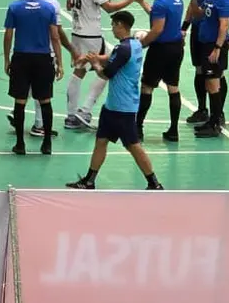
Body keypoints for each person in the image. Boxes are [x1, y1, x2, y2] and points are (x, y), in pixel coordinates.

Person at [66, 11, 163, 190]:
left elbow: (108, 73)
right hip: (113, 106)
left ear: (120, 25)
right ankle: (89, 180)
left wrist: (95, 65)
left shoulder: (123, 48)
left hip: (122, 109)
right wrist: (96, 57)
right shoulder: (135, 45)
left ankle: (154, 182)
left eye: (113, 25)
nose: (112, 28)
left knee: (134, 146)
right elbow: (112, 58)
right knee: (101, 141)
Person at [64, 0, 138, 129]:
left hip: (77, 31)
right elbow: (110, 8)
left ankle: (71, 115)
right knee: (109, 66)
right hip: (91, 33)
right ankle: (85, 110)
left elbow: (68, 3)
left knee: (79, 70)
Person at [8, 0, 73, 138]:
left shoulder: (19, 2)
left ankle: (21, 130)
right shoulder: (50, 5)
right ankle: (40, 127)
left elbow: (8, 35)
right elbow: (56, 34)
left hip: (22, 55)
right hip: (44, 54)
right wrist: (65, 55)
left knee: (25, 91)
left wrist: (7, 59)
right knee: (43, 95)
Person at [132, 0, 184, 142]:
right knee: (173, 87)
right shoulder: (177, 0)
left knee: (147, 86)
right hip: (177, 48)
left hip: (160, 50)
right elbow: (157, 14)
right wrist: (141, 2)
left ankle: (137, 127)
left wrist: (142, 43)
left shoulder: (161, 2)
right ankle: (174, 130)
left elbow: (157, 28)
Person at [186, 0, 229, 138]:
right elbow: (198, 14)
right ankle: (212, 121)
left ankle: (215, 124)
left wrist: (217, 48)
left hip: (214, 45)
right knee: (209, 84)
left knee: (213, 85)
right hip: (206, 44)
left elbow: (224, 25)